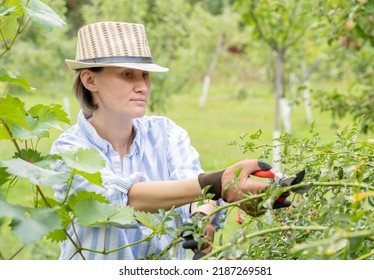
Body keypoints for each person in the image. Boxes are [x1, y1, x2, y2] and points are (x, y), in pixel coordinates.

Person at [51, 21, 271, 260]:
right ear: (90, 81)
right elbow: (122, 199)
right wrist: (219, 182)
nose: (142, 86)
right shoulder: (69, 149)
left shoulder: (166, 133)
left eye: (145, 75)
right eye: (127, 74)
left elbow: (197, 191)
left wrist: (200, 216)